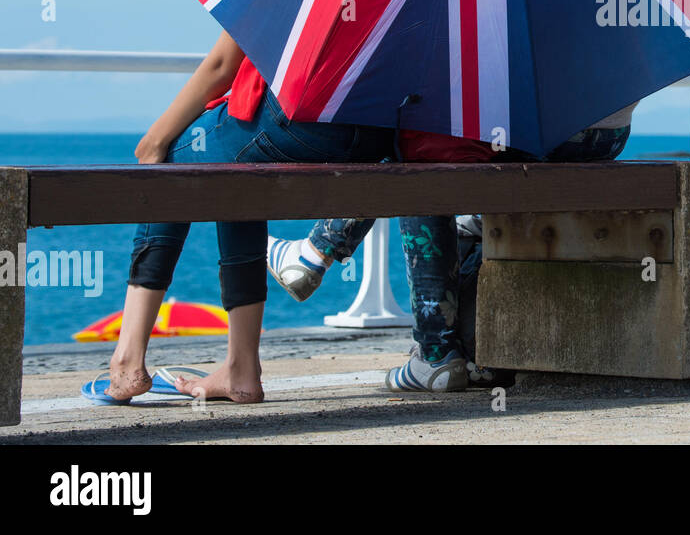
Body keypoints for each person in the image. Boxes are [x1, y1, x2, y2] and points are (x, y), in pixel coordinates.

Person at [103, 31, 392, 404]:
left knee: (171, 158)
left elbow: (222, 65)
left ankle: (127, 362)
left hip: (302, 117)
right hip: (379, 132)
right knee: (236, 168)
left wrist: (156, 138)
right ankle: (241, 370)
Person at [266, 102, 637, 393]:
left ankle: (433, 353)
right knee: (432, 155)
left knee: (412, 151)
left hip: (533, 126)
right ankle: (476, 351)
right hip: (608, 133)